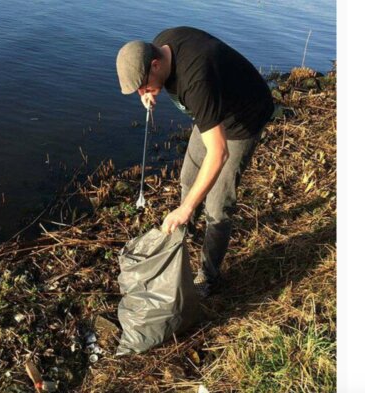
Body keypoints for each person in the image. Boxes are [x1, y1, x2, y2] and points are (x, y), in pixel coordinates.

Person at [116, 26, 274, 298]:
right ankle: (181, 239)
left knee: (217, 206)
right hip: (213, 112)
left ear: (155, 64)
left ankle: (208, 276)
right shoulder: (161, 44)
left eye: (144, 85)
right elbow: (181, 90)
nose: (143, 91)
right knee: (188, 179)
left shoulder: (196, 81)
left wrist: (186, 208)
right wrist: (150, 91)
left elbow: (219, 153)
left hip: (242, 119)